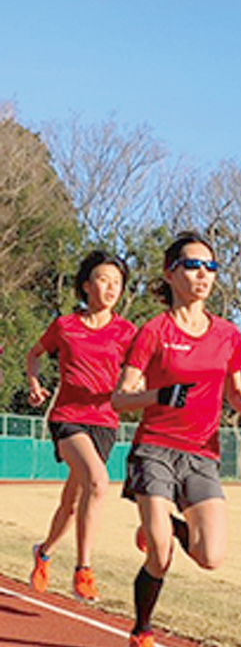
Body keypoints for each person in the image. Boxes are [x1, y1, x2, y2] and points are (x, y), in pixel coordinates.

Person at [112, 232, 241, 647]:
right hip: (155, 449)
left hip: (202, 453)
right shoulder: (153, 332)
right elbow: (120, 399)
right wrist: (160, 395)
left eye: (211, 267)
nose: (204, 274)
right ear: (171, 273)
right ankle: (142, 632)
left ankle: (160, 526)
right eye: (194, 266)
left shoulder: (226, 334)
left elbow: (235, 392)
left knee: (210, 557)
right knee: (159, 557)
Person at [27, 250, 136, 601]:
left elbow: (141, 369)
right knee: (98, 481)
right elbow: (34, 354)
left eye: (117, 283)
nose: (111, 287)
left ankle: (43, 553)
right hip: (68, 419)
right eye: (104, 279)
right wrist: (34, 383)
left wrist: (132, 386)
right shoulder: (65, 326)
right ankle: (83, 569)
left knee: (73, 504)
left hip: (105, 423)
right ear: (87, 285)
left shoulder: (126, 332)